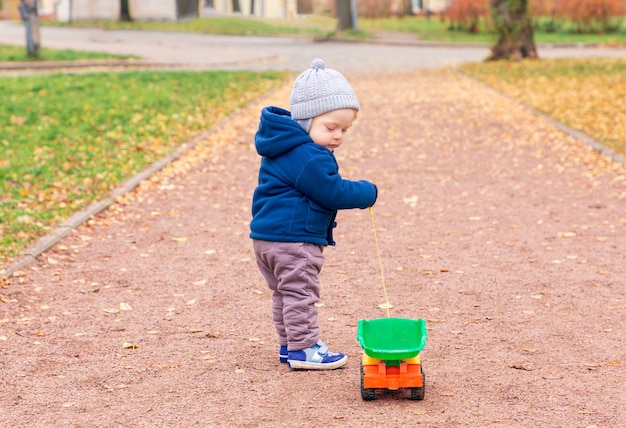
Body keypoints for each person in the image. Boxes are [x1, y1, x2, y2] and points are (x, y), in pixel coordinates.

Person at [250, 58, 378, 370]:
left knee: (284, 293)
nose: (338, 137)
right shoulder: (309, 156)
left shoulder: (282, 147)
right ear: (306, 122)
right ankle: (304, 348)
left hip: (266, 239)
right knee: (301, 293)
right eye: (330, 127)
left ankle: (288, 344)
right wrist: (367, 191)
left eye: (345, 130)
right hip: (294, 242)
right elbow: (332, 191)